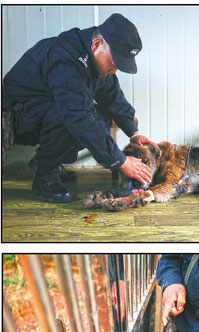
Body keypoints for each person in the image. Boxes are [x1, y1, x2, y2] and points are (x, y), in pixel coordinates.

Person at [2, 13, 157, 202]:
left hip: (46, 110)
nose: (115, 70)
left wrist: (134, 133)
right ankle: (45, 174)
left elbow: (112, 97)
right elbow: (77, 116)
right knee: (71, 117)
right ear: (97, 45)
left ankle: (49, 161)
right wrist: (121, 161)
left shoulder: (97, 60)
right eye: (114, 62)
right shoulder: (66, 59)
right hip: (18, 114)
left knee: (102, 118)